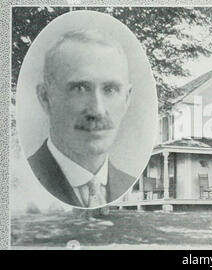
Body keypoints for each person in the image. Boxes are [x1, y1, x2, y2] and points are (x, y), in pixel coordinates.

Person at [28, 29, 136, 208]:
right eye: (80, 88)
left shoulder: (128, 184)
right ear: (45, 97)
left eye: (110, 89)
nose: (98, 110)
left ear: (127, 99)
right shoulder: (19, 180)